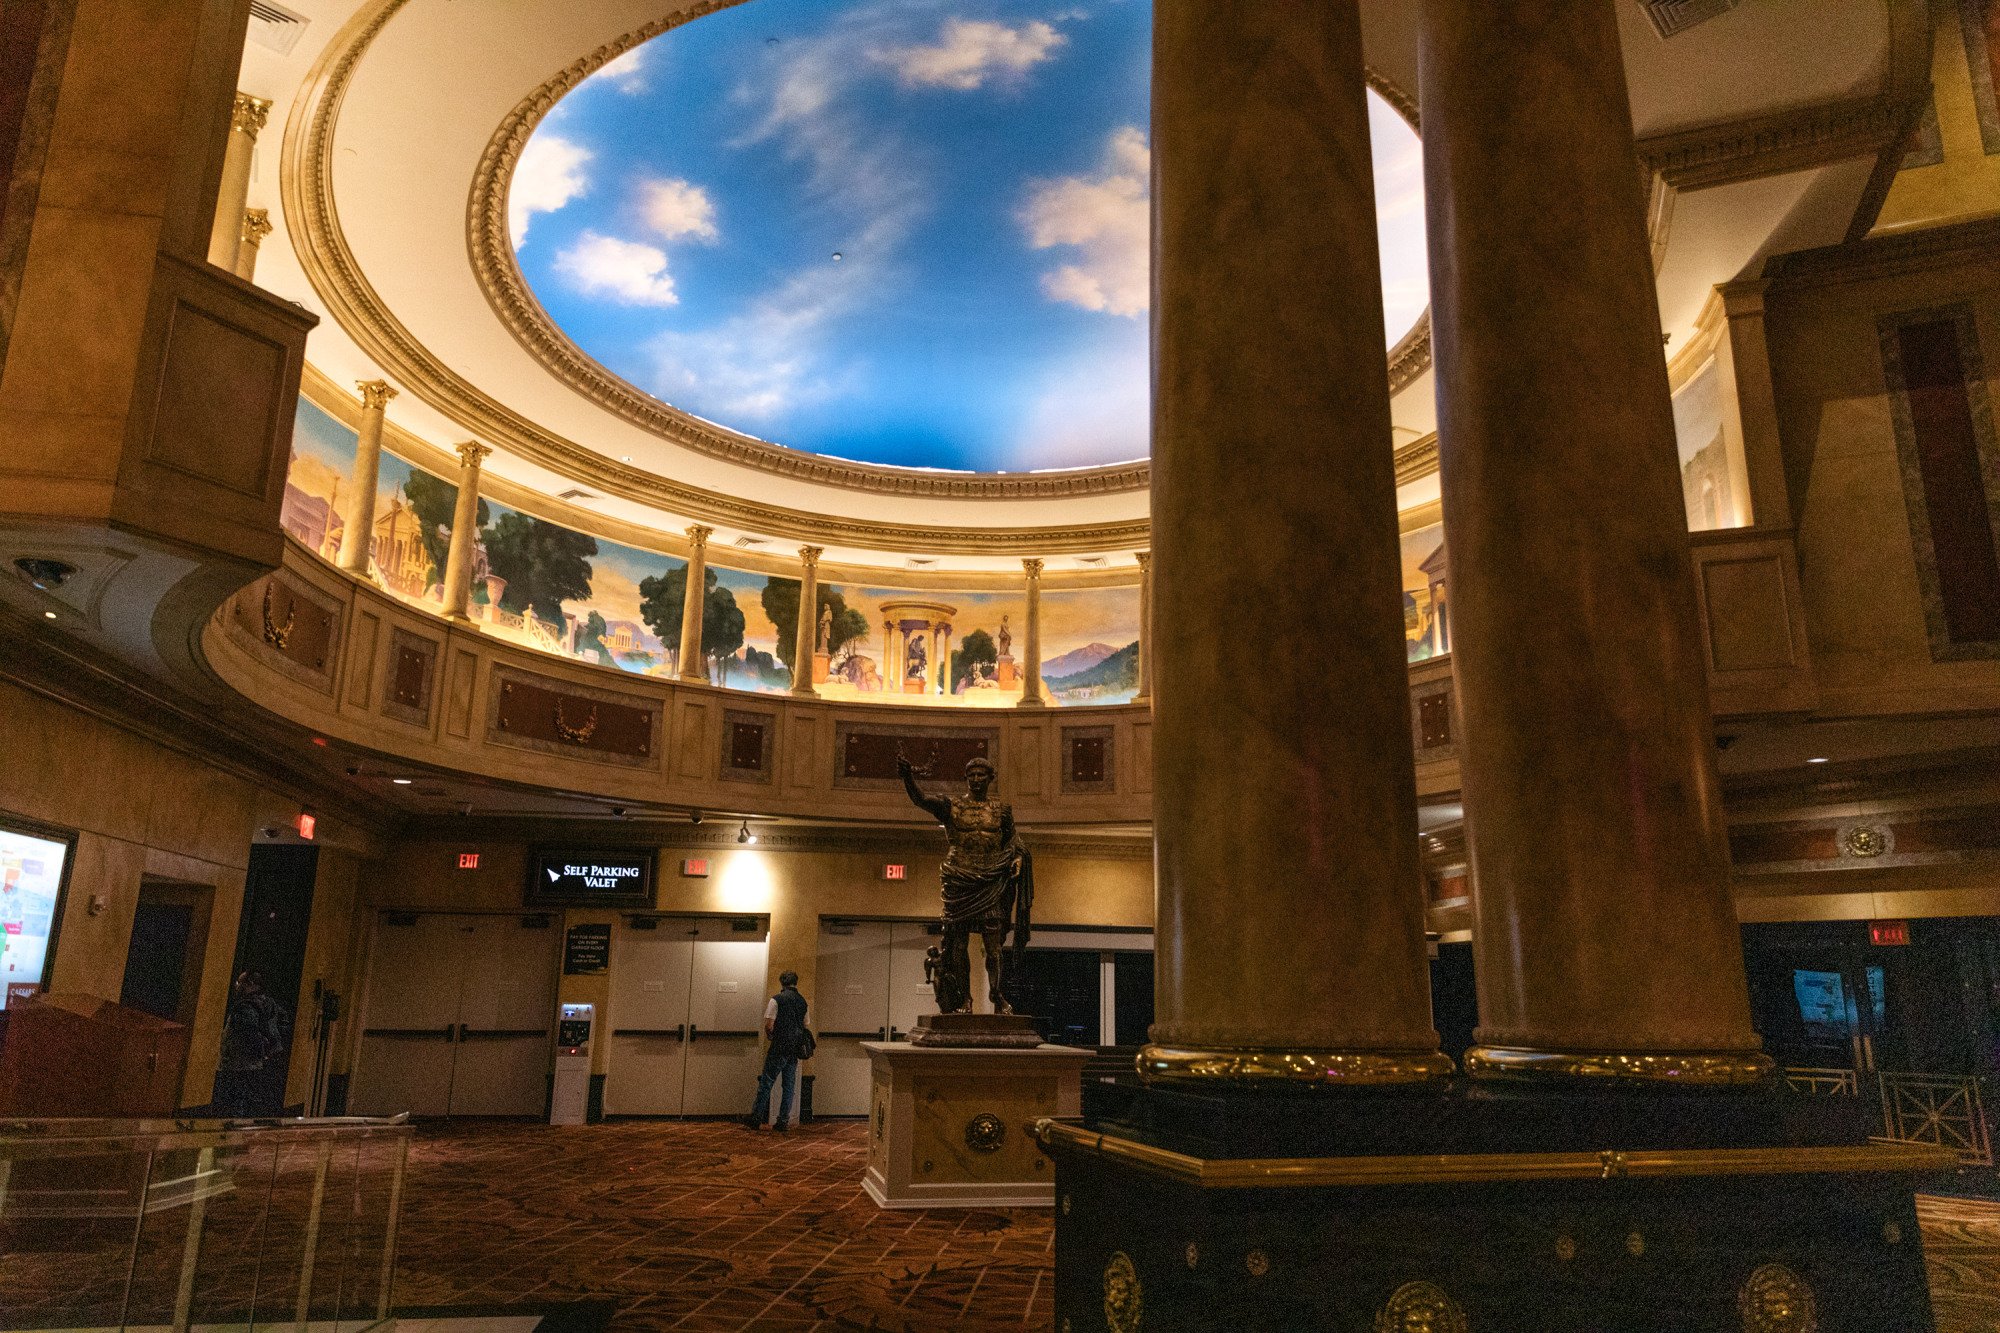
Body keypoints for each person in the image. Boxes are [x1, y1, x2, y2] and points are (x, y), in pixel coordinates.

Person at [897, 755, 1033, 1014]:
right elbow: (921, 800)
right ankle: (965, 999)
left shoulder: (1001, 810)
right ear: (966, 778)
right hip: (959, 879)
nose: (977, 779)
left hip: (991, 880)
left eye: (982, 775)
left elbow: (1013, 841)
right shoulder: (953, 807)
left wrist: (1016, 858)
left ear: (990, 778)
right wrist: (908, 778)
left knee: (993, 947)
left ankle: (995, 995)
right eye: (972, 775)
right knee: (958, 946)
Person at [216, 970, 290, 1117]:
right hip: (258, 1064)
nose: (236, 986)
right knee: (251, 1100)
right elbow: (284, 1023)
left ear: (250, 984)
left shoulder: (245, 1007)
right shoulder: (270, 1004)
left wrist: (258, 1048)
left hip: (239, 1063)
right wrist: (270, 1046)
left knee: (235, 1103)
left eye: (239, 982)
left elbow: (248, 1032)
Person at [745, 970, 808, 1131]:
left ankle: (756, 1117)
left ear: (782, 983)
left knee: (767, 1082)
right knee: (789, 1085)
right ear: (796, 982)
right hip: (794, 1049)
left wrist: (771, 1036)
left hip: (779, 1047)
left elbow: (769, 1025)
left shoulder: (776, 1000)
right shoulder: (803, 1002)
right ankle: (783, 1121)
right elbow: (805, 1024)